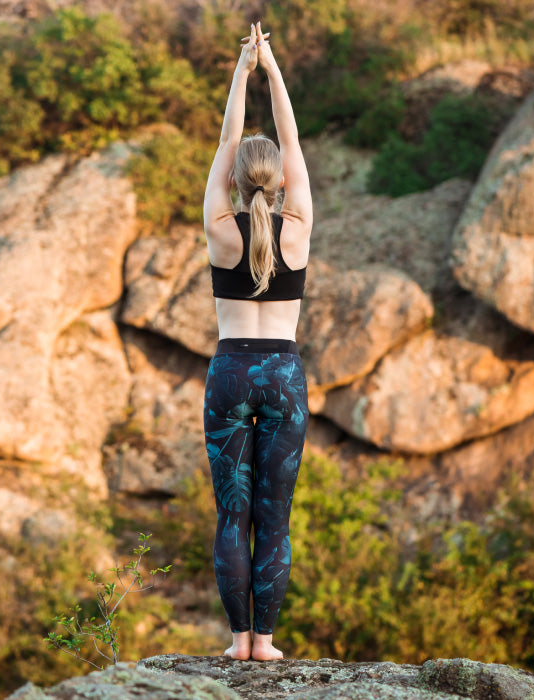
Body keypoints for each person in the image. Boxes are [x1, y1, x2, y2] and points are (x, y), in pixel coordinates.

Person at [202, 21, 313, 662]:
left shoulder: (221, 226)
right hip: (284, 377)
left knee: (232, 515)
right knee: (274, 515)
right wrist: (272, 68)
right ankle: (265, 644)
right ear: (276, 184)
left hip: (230, 372)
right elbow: (290, 138)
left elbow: (228, 140)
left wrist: (242, 70)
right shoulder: (296, 226)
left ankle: (236, 639)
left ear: (241, 184)